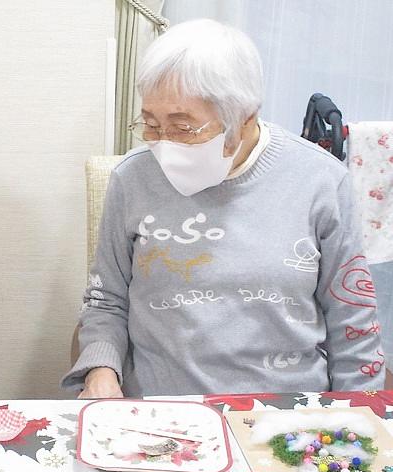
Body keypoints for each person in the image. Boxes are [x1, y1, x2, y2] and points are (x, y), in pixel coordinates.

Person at [62, 19, 384, 398]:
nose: (163, 144)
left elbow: (353, 322)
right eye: (150, 124)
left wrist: (358, 413)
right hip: (159, 407)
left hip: (285, 408)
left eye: (183, 128)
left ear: (245, 119)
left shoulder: (322, 182)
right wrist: (101, 373)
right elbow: (106, 301)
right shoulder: (132, 179)